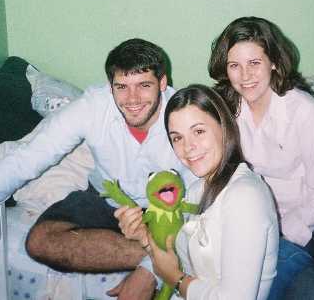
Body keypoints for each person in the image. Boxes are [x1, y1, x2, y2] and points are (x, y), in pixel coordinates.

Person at [0, 38, 197, 300]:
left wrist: (148, 273)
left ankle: (163, 259)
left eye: (143, 85)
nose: (132, 99)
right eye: (121, 87)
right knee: (40, 241)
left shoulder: (187, 118)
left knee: (199, 238)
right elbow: (22, 162)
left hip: (169, 213)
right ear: (109, 85)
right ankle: (161, 257)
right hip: (106, 199)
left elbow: (200, 201)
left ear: (163, 83)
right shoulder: (92, 107)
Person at [208, 16, 314, 300]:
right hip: (255, 220)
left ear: (273, 62)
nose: (245, 75)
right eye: (235, 65)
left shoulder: (304, 112)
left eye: (254, 63)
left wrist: (278, 235)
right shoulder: (226, 108)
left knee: (284, 287)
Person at [115, 84, 278, 300]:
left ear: (224, 127)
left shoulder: (245, 196)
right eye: (177, 138)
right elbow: (181, 263)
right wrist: (145, 238)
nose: (188, 146)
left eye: (199, 131)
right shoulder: (196, 191)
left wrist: (176, 279)